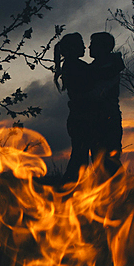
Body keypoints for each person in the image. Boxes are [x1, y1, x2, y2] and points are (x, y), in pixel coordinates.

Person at [53, 32, 92, 182]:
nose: (84, 47)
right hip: (81, 118)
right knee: (79, 159)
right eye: (81, 44)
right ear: (73, 48)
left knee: (79, 157)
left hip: (78, 118)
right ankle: (67, 191)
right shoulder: (76, 66)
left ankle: (68, 190)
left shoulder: (71, 65)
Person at [87, 32, 124, 176]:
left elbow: (98, 93)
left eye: (93, 44)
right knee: (98, 160)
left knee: (109, 159)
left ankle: (119, 192)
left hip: (107, 118)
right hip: (98, 118)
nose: (89, 47)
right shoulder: (97, 67)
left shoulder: (110, 67)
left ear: (102, 47)